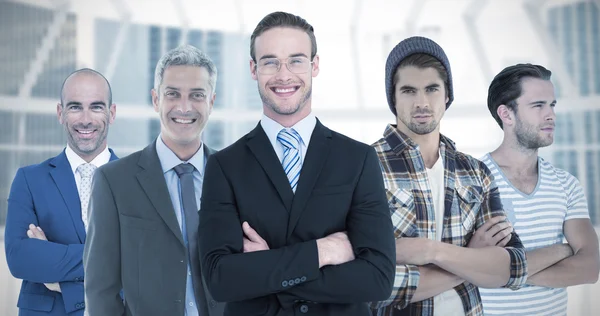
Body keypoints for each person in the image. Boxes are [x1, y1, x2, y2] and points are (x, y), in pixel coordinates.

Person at [198, 11, 396, 316]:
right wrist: (323, 251)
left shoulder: (358, 159)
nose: (284, 74)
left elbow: (378, 279)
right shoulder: (224, 166)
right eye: (270, 61)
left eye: (296, 60)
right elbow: (221, 280)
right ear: (254, 69)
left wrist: (268, 265)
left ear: (314, 66)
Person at [369, 36, 528, 316]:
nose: (421, 102)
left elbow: (513, 268)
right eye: (408, 91)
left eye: (431, 89)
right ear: (393, 98)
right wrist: (472, 260)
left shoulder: (475, 172)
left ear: (446, 95)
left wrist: (432, 252)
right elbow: (366, 286)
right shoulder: (363, 167)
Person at [83, 45, 223, 316]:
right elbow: (101, 289)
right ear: (156, 99)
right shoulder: (114, 182)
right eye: (172, 94)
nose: (184, 106)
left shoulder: (235, 175)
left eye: (197, 95)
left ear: (211, 102)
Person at [477, 63, 599, 315]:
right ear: (506, 114)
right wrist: (562, 251)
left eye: (552, 105)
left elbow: (590, 268)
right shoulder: (471, 180)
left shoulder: (567, 184)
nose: (550, 115)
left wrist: (504, 273)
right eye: (538, 105)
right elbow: (465, 266)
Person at [5, 68, 117, 315]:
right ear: (60, 113)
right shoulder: (29, 179)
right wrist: (113, 255)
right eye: (75, 107)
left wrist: (62, 279)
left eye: (96, 107)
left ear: (111, 113)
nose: (85, 119)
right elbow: (19, 257)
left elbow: (145, 266)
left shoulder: (137, 182)